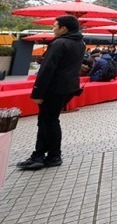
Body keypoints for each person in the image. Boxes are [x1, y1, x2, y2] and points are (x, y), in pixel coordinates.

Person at [17, 15, 85, 170]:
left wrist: (37, 93)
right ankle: (51, 155)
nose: (53, 28)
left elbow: (46, 70)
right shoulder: (79, 43)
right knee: (51, 120)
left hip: (53, 89)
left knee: (46, 121)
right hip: (68, 88)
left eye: (55, 26)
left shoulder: (59, 43)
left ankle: (42, 156)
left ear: (64, 28)